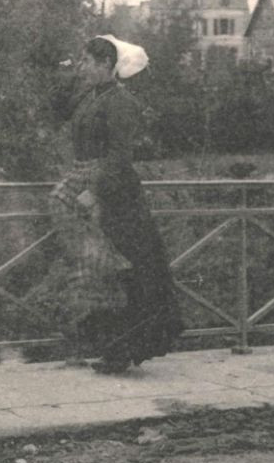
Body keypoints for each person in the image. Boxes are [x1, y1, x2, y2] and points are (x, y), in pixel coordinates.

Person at [42, 36, 184, 373]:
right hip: (86, 179)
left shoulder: (121, 101)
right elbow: (57, 115)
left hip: (116, 192)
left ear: (106, 64)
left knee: (129, 270)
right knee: (103, 268)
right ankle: (110, 347)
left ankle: (121, 352)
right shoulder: (89, 95)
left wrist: (95, 192)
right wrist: (64, 77)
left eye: (87, 62)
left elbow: (120, 156)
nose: (82, 67)